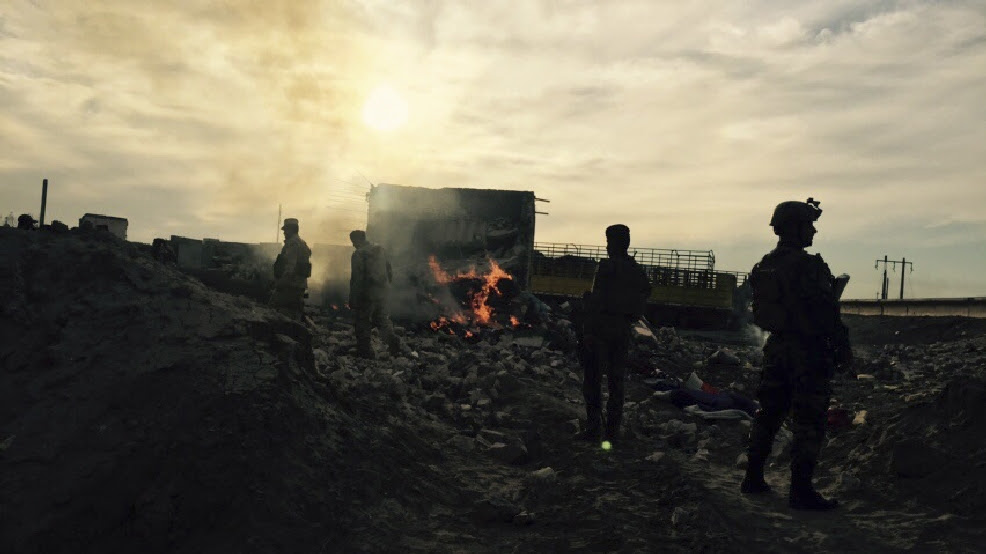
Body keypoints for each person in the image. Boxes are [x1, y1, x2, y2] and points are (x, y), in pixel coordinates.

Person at [741, 198, 852, 511]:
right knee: (809, 420)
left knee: (769, 414)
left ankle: (752, 477)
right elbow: (827, 313)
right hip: (808, 351)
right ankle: (801, 490)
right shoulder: (808, 266)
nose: (813, 231)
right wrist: (843, 349)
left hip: (777, 348)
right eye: (809, 225)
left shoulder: (765, 264)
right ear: (795, 227)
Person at [577, 224, 652, 445]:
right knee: (616, 383)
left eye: (609, 242)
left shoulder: (607, 267)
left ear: (614, 243)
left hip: (601, 330)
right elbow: (645, 292)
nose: (607, 247)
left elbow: (597, 301)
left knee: (593, 381)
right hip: (622, 331)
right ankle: (612, 433)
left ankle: (593, 429)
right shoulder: (636, 270)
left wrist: (588, 329)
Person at [349, 230, 401, 359]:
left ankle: (364, 351)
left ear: (358, 240)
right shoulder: (380, 249)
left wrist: (353, 298)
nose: (353, 245)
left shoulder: (359, 254)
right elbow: (389, 270)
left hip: (366, 294)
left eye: (353, 242)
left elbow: (357, 279)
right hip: (382, 292)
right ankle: (393, 343)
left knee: (362, 321)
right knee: (382, 320)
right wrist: (386, 286)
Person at [270, 218, 312, 319]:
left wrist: (280, 283)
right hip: (298, 285)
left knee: (277, 312)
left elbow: (290, 268)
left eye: (286, 230)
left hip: (290, 286)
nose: (284, 233)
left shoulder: (293, 244)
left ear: (291, 229)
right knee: (295, 314)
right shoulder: (302, 243)